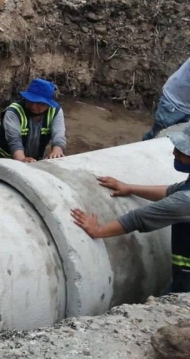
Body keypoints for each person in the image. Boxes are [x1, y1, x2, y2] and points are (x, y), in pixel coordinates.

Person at [71, 124, 190, 293]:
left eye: (182, 152)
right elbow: (171, 191)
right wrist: (129, 187)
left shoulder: (186, 201)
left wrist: (99, 230)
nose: (174, 153)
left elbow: (138, 218)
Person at [0, 78, 67, 162]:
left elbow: (59, 134)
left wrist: (57, 151)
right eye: (30, 100)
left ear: (48, 104)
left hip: (34, 156)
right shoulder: (13, 112)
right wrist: (22, 159)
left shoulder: (55, 111)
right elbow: (14, 141)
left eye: (39, 103)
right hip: (2, 157)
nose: (33, 106)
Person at [143, 58, 190, 141]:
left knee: (179, 141)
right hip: (173, 101)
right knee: (156, 137)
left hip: (187, 106)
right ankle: (141, 150)